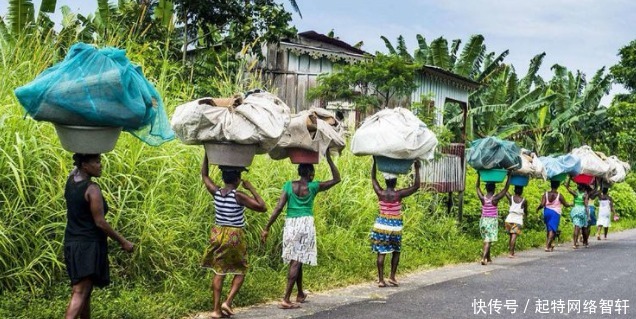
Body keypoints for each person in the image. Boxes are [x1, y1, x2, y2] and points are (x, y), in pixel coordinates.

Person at [261, 151, 340, 309]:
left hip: (290, 224)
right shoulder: (313, 187)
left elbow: (278, 208)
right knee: (297, 260)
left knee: (297, 258)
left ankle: (300, 293)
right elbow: (337, 179)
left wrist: (267, 227)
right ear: (311, 174)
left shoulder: (289, 185)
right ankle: (286, 299)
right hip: (305, 225)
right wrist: (329, 158)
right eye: (313, 172)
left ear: (299, 172)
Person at [64, 153, 134, 319]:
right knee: (80, 292)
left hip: (71, 243)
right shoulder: (92, 189)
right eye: (96, 162)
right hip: (88, 245)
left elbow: (75, 168)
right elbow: (100, 222)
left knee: (85, 291)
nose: (100, 165)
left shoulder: (71, 180)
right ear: (85, 166)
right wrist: (123, 242)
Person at [201, 154, 267, 318]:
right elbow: (262, 207)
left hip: (217, 233)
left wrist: (207, 154)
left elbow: (204, 175)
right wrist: (251, 188)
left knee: (219, 271)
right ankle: (227, 302)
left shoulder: (216, 192)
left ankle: (216, 310)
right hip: (234, 234)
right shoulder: (238, 195)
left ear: (223, 178)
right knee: (241, 269)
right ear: (238, 179)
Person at [369, 159, 421, 287]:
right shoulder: (399, 194)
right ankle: (392, 276)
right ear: (395, 181)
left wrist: (375, 163)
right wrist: (417, 168)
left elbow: (373, 180)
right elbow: (416, 186)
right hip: (395, 228)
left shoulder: (380, 193)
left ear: (386, 182)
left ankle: (381, 280)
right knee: (396, 251)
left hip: (380, 226)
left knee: (381, 252)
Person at [476, 174, 510, 265]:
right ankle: (483, 258)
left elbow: (477, 187)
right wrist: (509, 176)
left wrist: (479, 175)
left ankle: (489, 258)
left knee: (487, 239)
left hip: (483, 221)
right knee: (488, 240)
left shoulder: (482, 198)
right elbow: (505, 189)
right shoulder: (495, 199)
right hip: (491, 221)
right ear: (494, 188)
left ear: (486, 188)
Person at [537, 180, 572, 251]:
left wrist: (537, 209)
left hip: (547, 212)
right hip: (555, 213)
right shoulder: (559, 195)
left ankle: (550, 245)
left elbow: (542, 204)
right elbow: (566, 204)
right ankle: (547, 246)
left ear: (551, 185)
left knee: (549, 228)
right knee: (552, 230)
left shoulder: (545, 194)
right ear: (558, 186)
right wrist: (571, 204)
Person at [565, 179, 590, 249]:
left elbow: (567, 186)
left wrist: (569, 178)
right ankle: (585, 242)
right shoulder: (585, 195)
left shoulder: (575, 193)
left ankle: (575, 243)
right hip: (582, 211)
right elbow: (586, 205)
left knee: (576, 227)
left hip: (575, 210)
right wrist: (588, 215)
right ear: (584, 188)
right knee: (584, 227)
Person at [504, 185, 527, 258]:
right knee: (514, 236)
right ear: (522, 191)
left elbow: (505, 191)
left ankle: (511, 252)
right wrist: (526, 215)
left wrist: (507, 183)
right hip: (517, 219)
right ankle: (511, 253)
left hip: (509, 219)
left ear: (514, 190)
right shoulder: (524, 200)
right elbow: (526, 211)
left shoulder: (511, 198)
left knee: (511, 236)